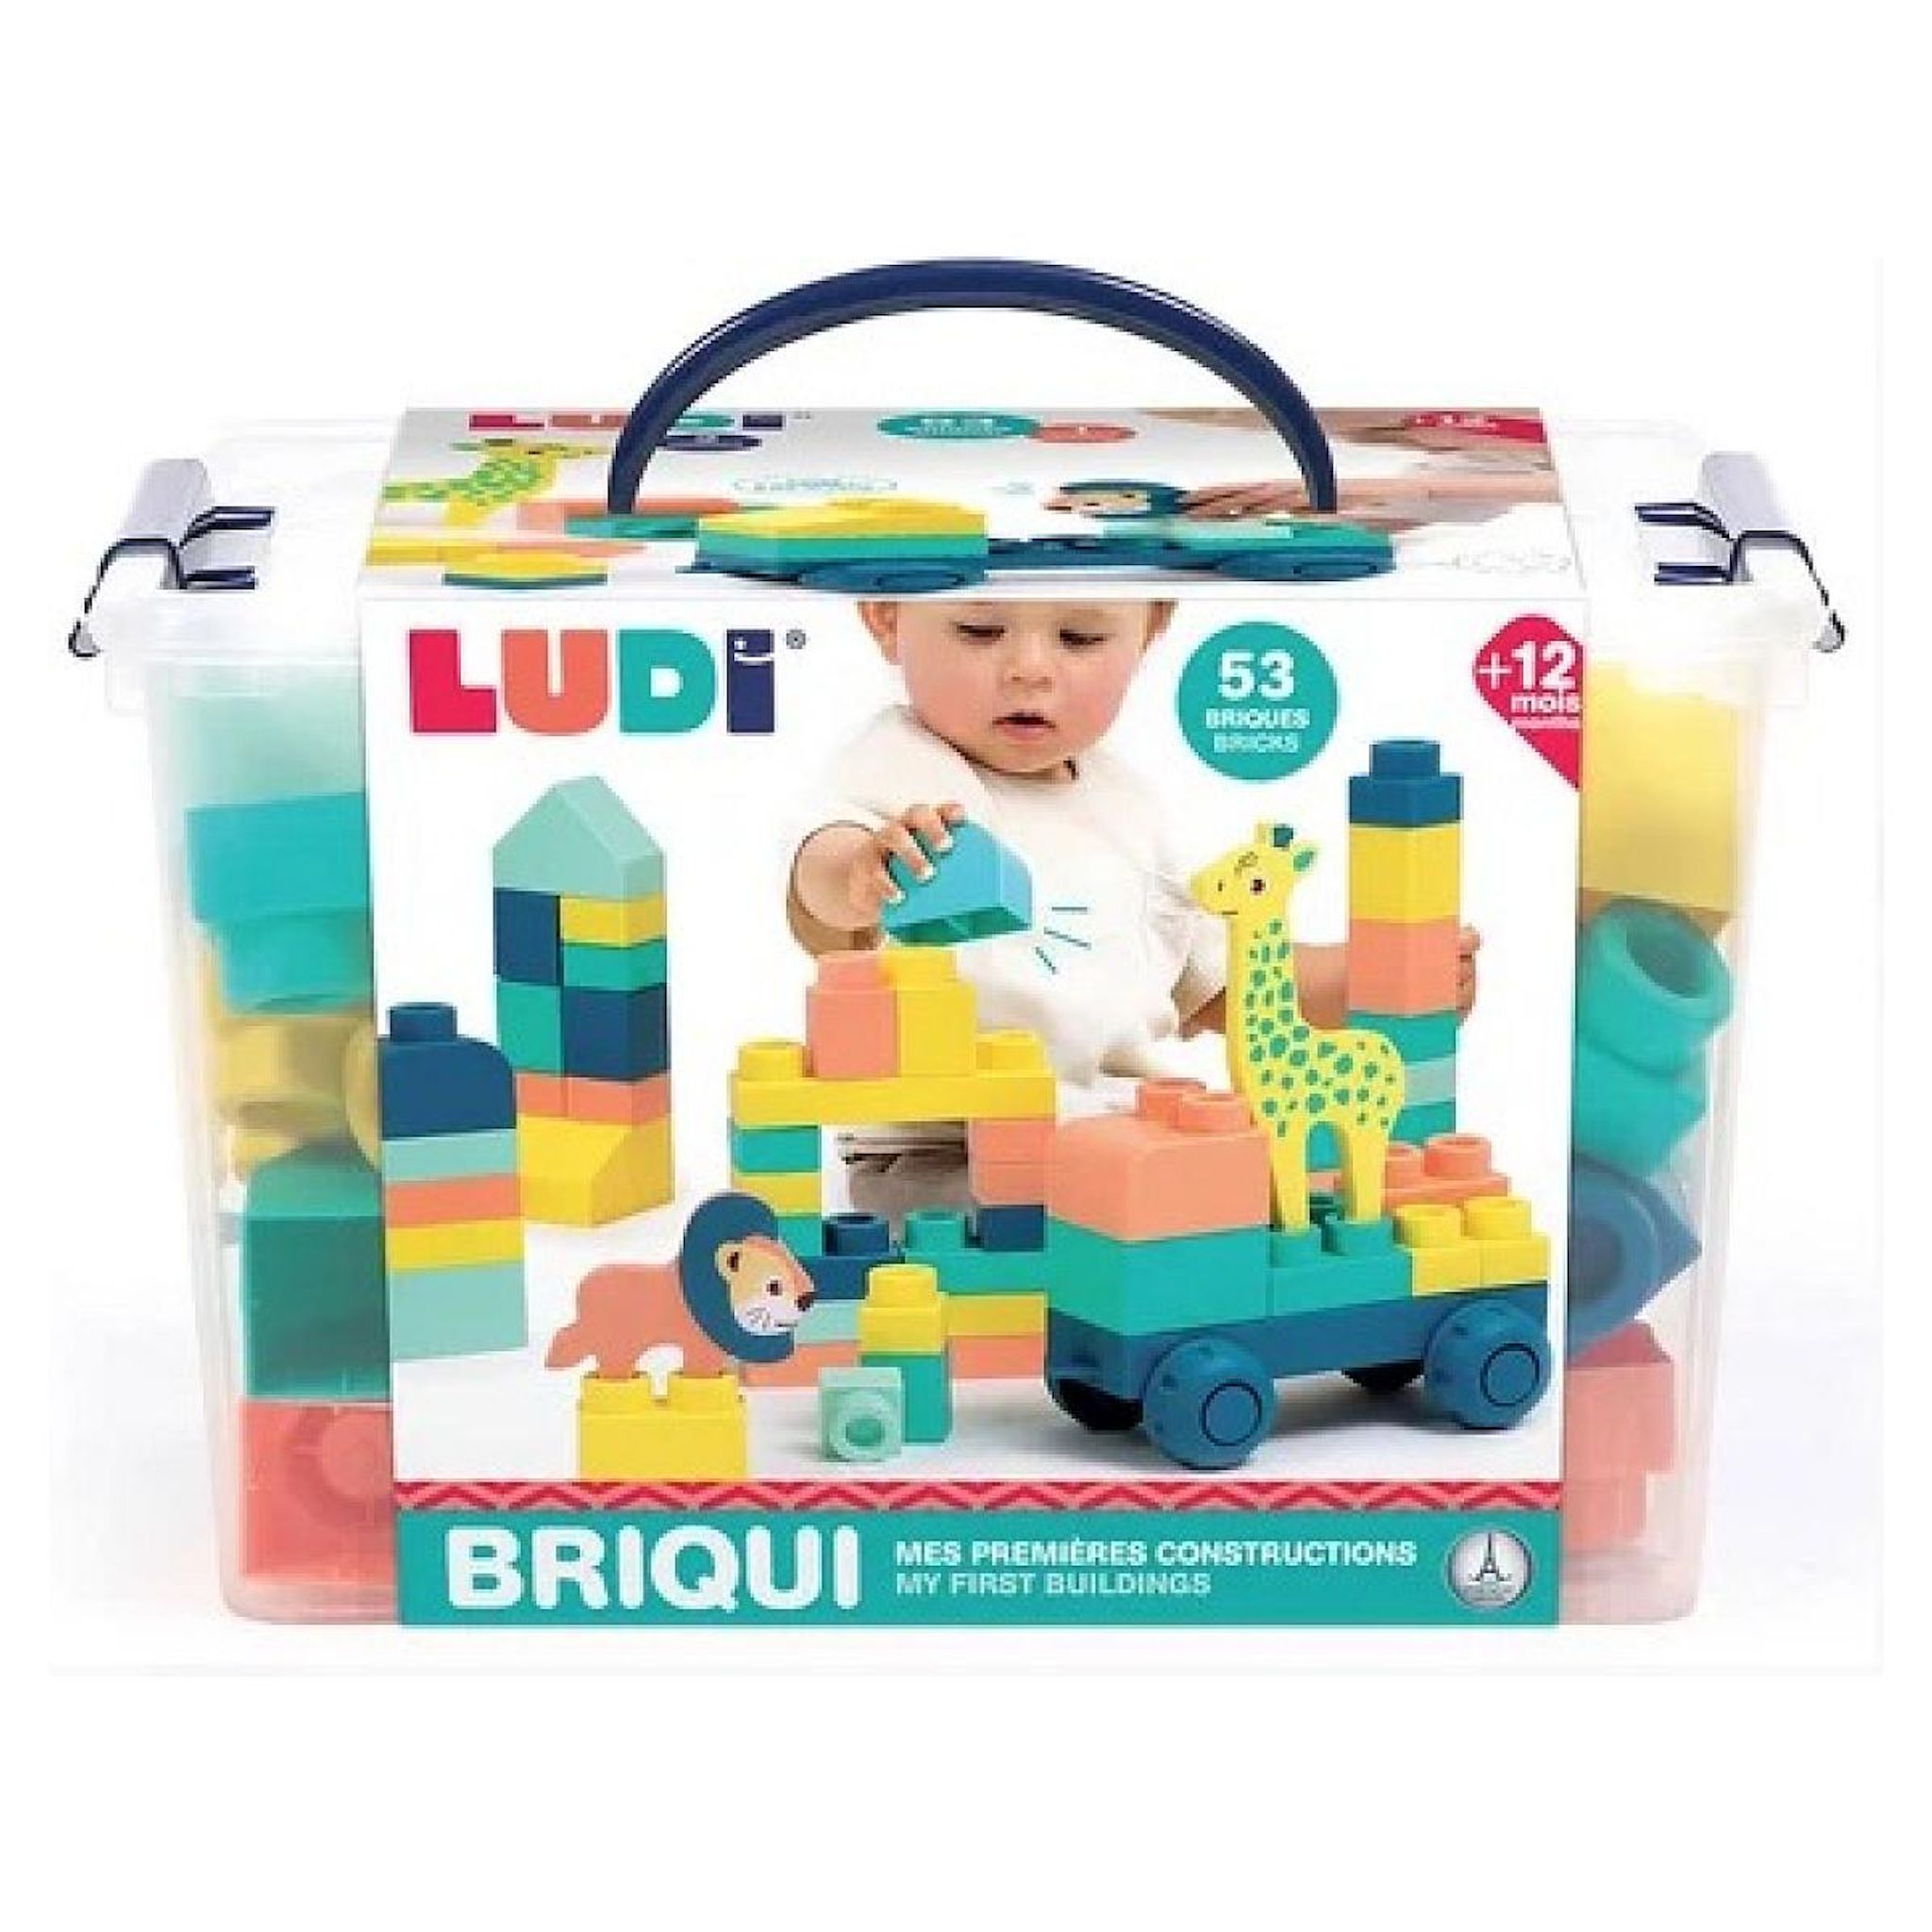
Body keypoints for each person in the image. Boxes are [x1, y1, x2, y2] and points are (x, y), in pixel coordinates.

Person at [788, 599, 1476, 1220]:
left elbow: (1225, 984)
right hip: (945, 1148)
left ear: (1150, 629)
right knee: (1161, 1206)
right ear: (886, 618)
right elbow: (821, 887)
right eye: (979, 630)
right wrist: (860, 872)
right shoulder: (899, 765)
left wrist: (1380, 978)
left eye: (1080, 638)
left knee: (1297, 1184)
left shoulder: (1129, 805)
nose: (1029, 669)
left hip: (1129, 1128)